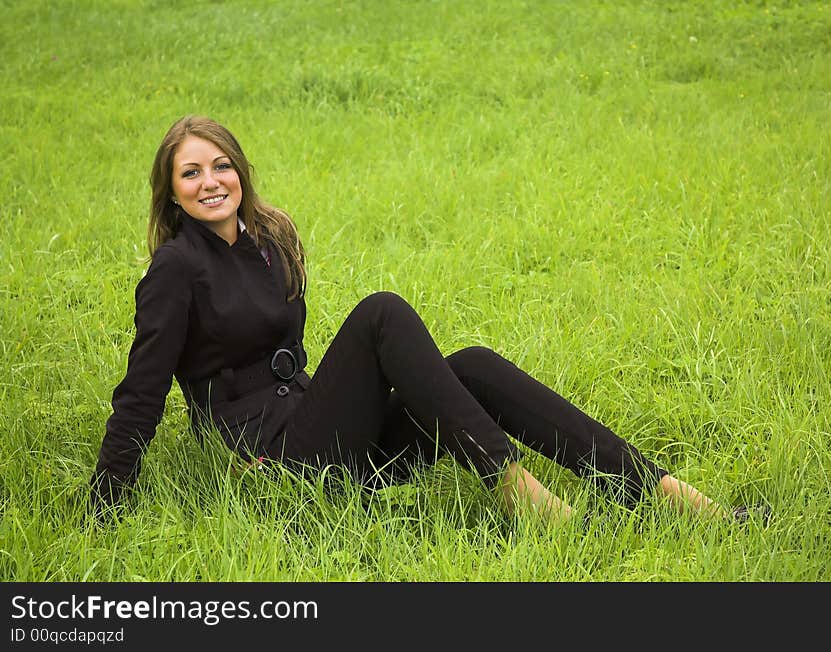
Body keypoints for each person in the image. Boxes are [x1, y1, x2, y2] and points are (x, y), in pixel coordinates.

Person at [90, 115, 766, 528]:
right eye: (190, 173)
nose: (210, 181)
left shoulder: (266, 241)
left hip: (325, 437)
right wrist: (106, 506)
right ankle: (514, 489)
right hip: (277, 463)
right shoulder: (177, 268)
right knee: (381, 313)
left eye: (221, 164)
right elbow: (143, 390)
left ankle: (662, 492)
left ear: (240, 171)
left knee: (469, 364)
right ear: (171, 191)